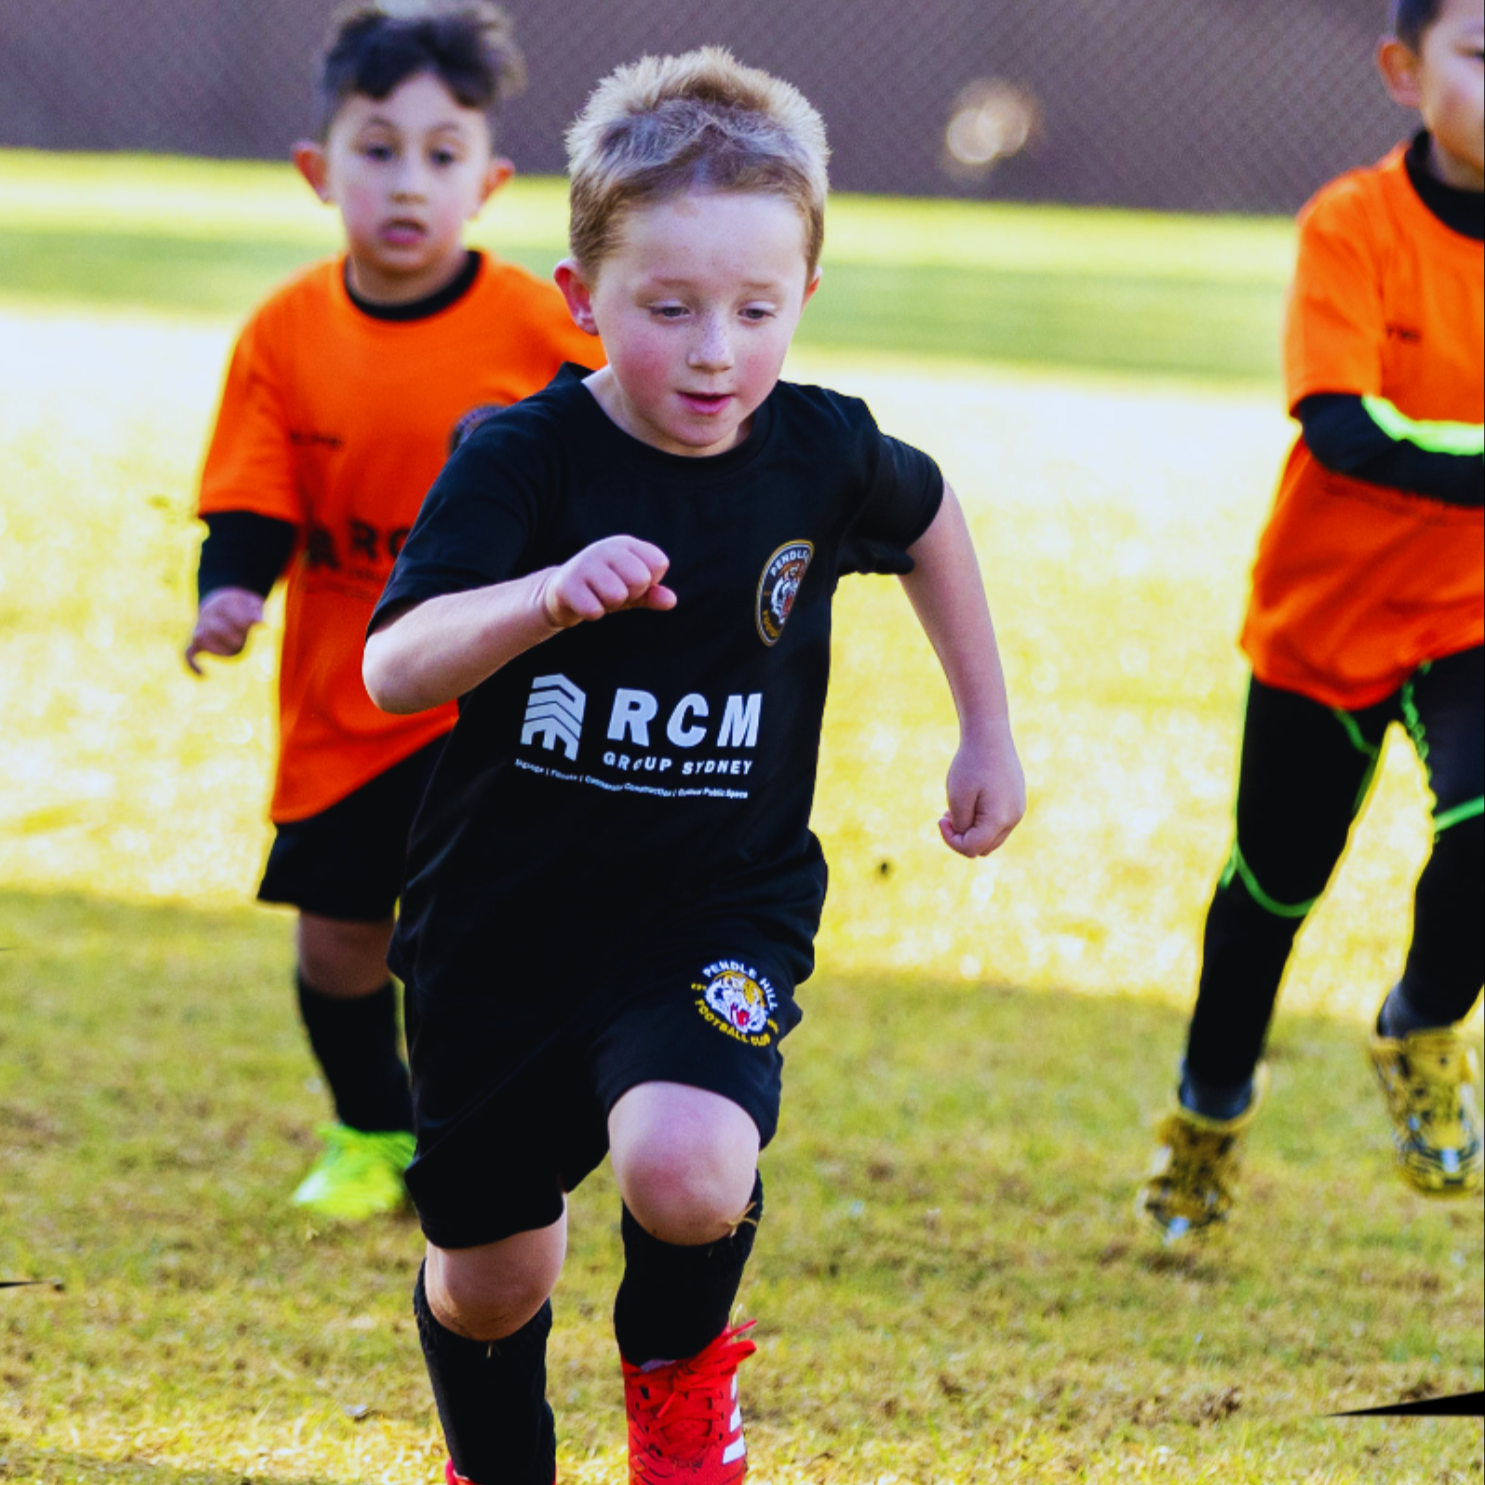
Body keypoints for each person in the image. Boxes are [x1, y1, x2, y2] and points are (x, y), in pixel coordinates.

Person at [362, 47, 1025, 1485]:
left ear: (805, 298)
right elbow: (394, 664)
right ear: (580, 297)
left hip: (713, 905)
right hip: (501, 924)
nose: (716, 351)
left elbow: (926, 516)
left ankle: (676, 1412)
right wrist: (541, 595)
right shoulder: (523, 460)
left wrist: (987, 723)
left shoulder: (816, 452)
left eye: (755, 309)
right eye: (668, 311)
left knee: (688, 1168)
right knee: (493, 1278)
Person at [186, 0, 598, 1222]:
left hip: (500, 705)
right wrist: (230, 589)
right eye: (376, 149)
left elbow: (626, 458)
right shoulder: (287, 331)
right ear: (319, 172)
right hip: (349, 698)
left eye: (441, 152)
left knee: (475, 950)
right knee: (338, 946)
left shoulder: (539, 327)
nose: (407, 181)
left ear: (490, 180)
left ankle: (478, 1141)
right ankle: (372, 1130)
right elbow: (255, 493)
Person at [1138, 0, 1483, 1243]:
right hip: (1329, 618)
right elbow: (1342, 429)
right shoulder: (1354, 224)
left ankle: (1423, 1019)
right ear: (1405, 68)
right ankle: (1209, 1115)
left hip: (1476, 617)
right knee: (1274, 891)